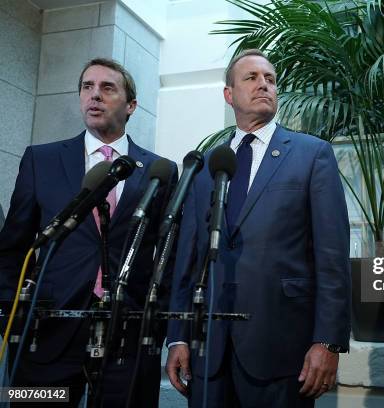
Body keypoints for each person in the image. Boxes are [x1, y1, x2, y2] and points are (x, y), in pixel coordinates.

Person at [165, 49, 351, 407]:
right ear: (229, 95)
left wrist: (328, 341)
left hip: (281, 349)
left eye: (270, 79)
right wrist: (177, 336)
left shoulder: (312, 154)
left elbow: (332, 256)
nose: (264, 84)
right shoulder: (206, 166)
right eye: (251, 78)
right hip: (209, 353)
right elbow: (186, 261)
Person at [0, 58, 177, 407]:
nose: (94, 95)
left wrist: (160, 322)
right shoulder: (41, 159)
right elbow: (13, 245)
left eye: (107, 88)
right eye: (87, 87)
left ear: (131, 105)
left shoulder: (161, 170)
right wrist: (11, 312)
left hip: (128, 335)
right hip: (46, 332)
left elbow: (170, 255)